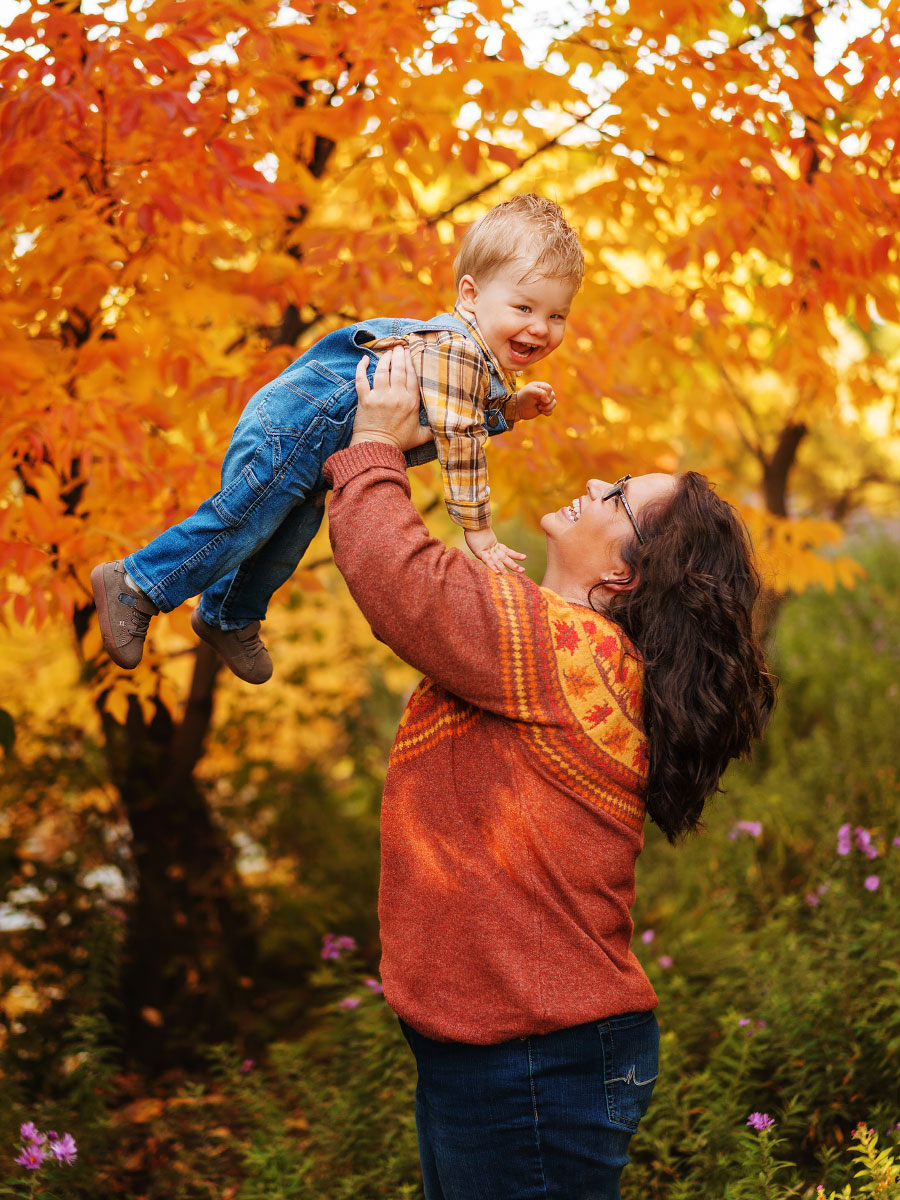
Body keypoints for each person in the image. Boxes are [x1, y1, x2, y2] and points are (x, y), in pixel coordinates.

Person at [322, 348, 776, 1200]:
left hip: (529, 1063)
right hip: (519, 1053)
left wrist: (374, 448)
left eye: (618, 499)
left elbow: (402, 581)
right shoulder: (565, 646)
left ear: (625, 574)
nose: (597, 486)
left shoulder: (561, 647)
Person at [91, 194, 584, 684]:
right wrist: (477, 528)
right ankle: (138, 582)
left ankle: (228, 616)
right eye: (524, 307)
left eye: (557, 316)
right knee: (239, 522)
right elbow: (458, 436)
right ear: (471, 296)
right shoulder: (457, 348)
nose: (540, 328)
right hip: (298, 426)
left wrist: (511, 410)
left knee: (282, 539)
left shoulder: (474, 359)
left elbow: (456, 412)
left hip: (318, 441)